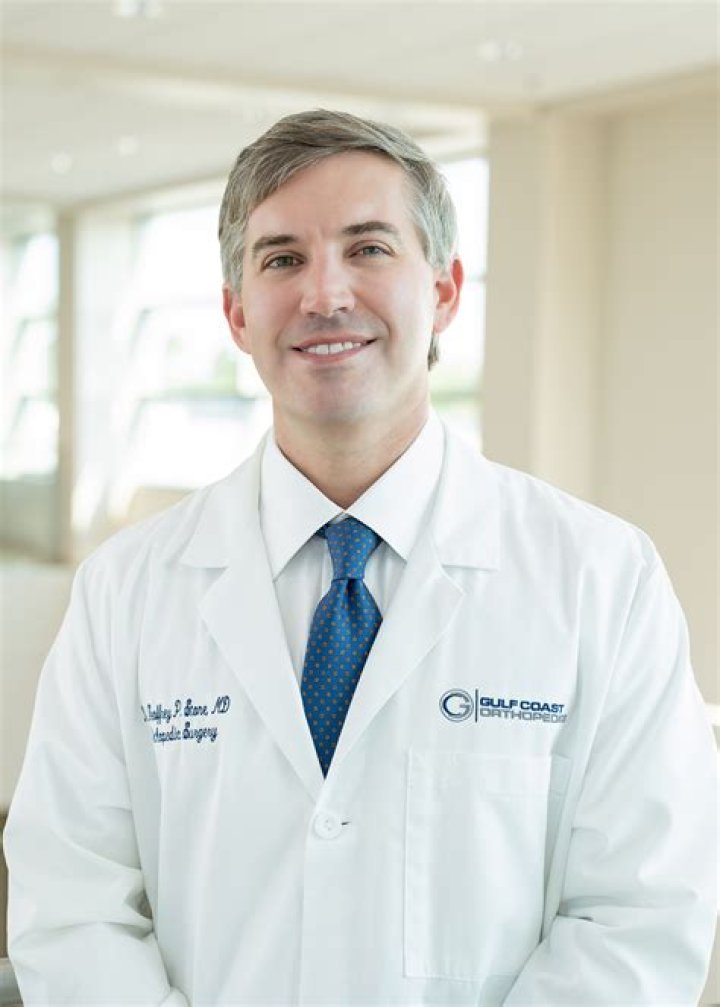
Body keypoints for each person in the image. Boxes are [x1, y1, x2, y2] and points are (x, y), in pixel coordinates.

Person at [4, 109, 716, 1006]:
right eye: (281, 258)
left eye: (369, 248)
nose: (325, 294)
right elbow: (71, 903)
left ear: (445, 290)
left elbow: (638, 914)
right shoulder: (126, 590)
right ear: (236, 312)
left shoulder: (603, 579)